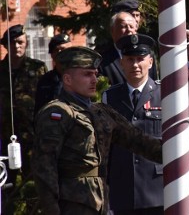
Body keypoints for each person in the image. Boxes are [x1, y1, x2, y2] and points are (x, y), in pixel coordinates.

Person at [32, 46, 162, 215]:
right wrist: (52, 210)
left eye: (95, 73)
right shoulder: (57, 113)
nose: (94, 79)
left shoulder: (101, 112)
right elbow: (44, 167)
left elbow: (140, 142)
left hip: (99, 202)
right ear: (68, 79)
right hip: (71, 205)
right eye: (87, 74)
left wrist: (184, 154)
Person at [103, 34, 163, 214]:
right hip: (123, 188)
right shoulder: (110, 97)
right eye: (130, 59)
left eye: (140, 59)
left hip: (157, 189)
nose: (135, 65)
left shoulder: (165, 94)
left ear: (150, 62)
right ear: (122, 63)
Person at [0, 23, 47, 211]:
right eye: (12, 43)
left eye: (20, 42)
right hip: (4, 137)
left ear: (26, 43)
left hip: (32, 136)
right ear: (5, 46)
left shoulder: (38, 69)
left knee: (33, 181)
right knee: (6, 182)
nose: (17, 47)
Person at [34, 32, 73, 114]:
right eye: (57, 50)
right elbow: (39, 111)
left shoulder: (81, 77)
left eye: (64, 49)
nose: (61, 53)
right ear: (52, 55)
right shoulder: (45, 81)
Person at [98, 11, 137, 85]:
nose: (129, 30)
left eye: (131, 27)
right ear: (112, 31)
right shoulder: (102, 60)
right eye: (123, 27)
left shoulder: (146, 56)